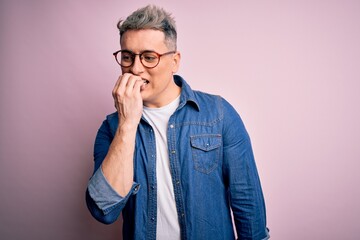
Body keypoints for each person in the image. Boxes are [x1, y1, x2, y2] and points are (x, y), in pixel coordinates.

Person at [86, 4, 269, 240]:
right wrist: (127, 124)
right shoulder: (112, 128)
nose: (136, 68)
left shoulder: (219, 114)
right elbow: (103, 209)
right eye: (128, 57)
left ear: (175, 61)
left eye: (149, 57)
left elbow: (248, 203)